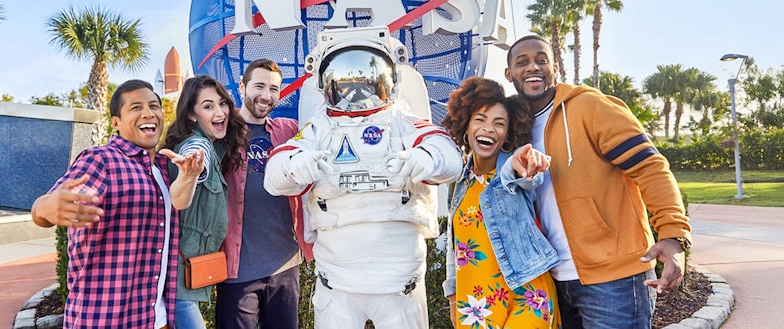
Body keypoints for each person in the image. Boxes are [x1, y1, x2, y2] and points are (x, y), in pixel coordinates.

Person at [264, 26, 463, 329]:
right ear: (328, 84)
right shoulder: (320, 128)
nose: (357, 94)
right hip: (338, 280)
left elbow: (447, 154)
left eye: (366, 82)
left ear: (387, 80)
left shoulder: (401, 119)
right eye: (346, 84)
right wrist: (294, 166)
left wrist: (429, 158)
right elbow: (274, 174)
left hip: (399, 280)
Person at [504, 35, 692, 328]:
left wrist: (673, 234)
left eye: (542, 60)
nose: (533, 67)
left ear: (555, 68)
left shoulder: (591, 107)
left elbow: (650, 168)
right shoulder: (514, 128)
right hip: (551, 279)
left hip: (614, 278)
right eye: (522, 62)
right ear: (509, 74)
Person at [31, 79, 197, 329]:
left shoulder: (164, 167)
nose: (149, 113)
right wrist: (45, 208)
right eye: (136, 107)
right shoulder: (101, 160)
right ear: (116, 122)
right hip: (104, 319)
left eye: (154, 106)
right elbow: (50, 205)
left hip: (156, 318)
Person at [440, 77, 560, 328]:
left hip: (527, 295)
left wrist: (525, 162)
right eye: (480, 120)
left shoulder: (509, 169)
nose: (488, 129)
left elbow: (523, 175)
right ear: (466, 126)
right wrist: (452, 297)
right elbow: (454, 246)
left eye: (499, 123)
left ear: (507, 133)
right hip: (475, 303)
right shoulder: (460, 181)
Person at [214, 59, 314, 328]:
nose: (266, 96)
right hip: (237, 269)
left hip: (284, 265)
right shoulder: (221, 132)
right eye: (259, 86)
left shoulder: (290, 130)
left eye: (274, 89)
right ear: (242, 86)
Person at [159, 75, 247, 329]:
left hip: (190, 278)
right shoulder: (197, 145)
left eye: (222, 103)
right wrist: (190, 172)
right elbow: (181, 194)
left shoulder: (215, 144)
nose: (219, 112)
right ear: (191, 115)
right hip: (178, 284)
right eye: (208, 106)